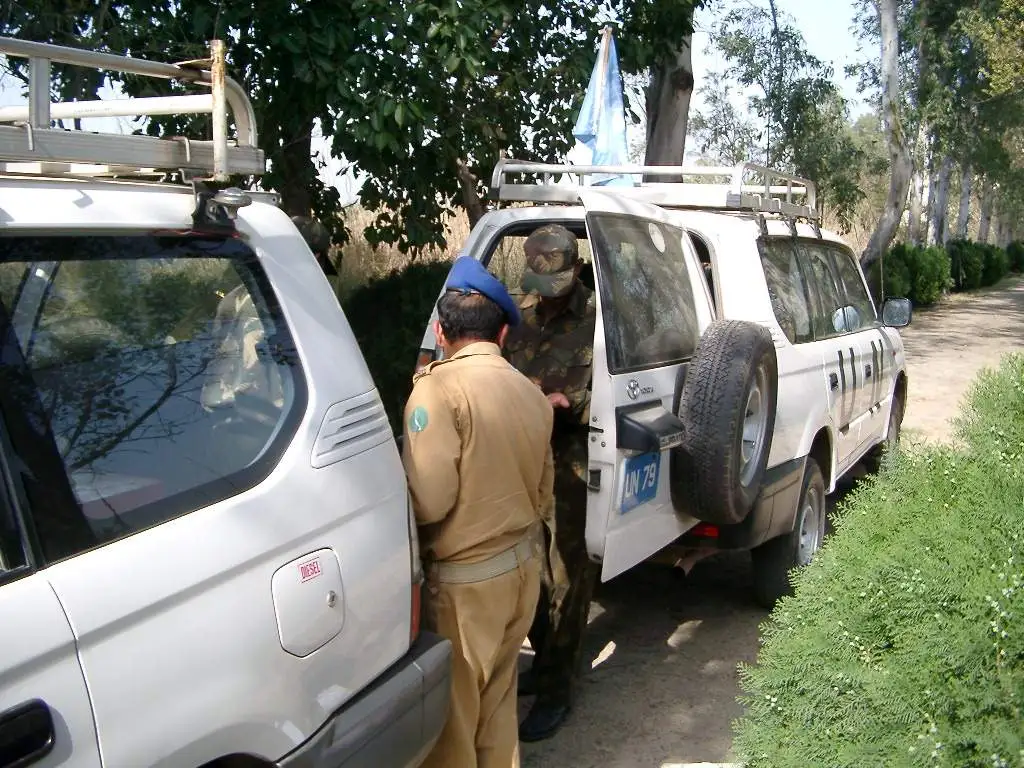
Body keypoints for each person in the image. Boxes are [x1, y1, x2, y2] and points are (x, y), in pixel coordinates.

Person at [403, 255, 556, 768]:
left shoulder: (436, 389)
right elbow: (543, 493)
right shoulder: (531, 394)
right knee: (497, 709)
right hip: (522, 572)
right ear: (503, 333)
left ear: (441, 332)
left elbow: (429, 502)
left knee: (453, 727)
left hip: (466, 587)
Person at [502, 223, 600, 742]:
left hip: (572, 460)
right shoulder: (518, 316)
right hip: (521, 457)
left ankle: (558, 689)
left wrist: (572, 403)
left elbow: (622, 389)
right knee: (526, 570)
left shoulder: (599, 322)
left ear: (575, 270)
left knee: (566, 575)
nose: (547, 299)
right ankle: (542, 663)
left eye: (554, 287)